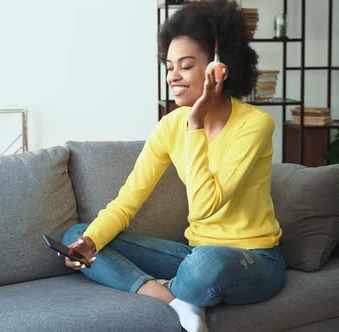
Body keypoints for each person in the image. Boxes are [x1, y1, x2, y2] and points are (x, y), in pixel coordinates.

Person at [60, 1, 285, 331]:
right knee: (78, 235)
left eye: (186, 65)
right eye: (169, 66)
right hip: (194, 255)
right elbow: (126, 203)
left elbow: (207, 206)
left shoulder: (255, 124)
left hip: (256, 261)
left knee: (209, 262)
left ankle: (182, 289)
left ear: (219, 67)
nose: (173, 77)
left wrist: (195, 125)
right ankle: (176, 300)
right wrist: (90, 243)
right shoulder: (169, 126)